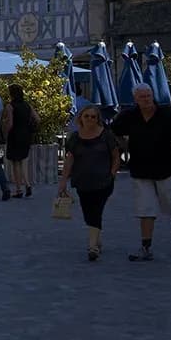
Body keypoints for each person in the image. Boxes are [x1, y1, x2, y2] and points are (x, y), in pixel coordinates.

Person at [111, 83, 171, 261]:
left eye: (148, 96)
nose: (146, 99)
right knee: (145, 208)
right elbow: (114, 130)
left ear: (153, 95)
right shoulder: (129, 116)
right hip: (140, 168)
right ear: (135, 99)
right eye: (142, 97)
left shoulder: (169, 114)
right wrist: (124, 145)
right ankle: (146, 247)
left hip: (166, 168)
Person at [59, 104, 121, 261]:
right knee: (88, 212)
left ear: (98, 119)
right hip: (82, 181)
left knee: (96, 210)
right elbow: (69, 159)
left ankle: (92, 246)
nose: (90, 119)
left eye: (93, 116)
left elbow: (115, 156)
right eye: (86, 116)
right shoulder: (74, 137)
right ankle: (97, 238)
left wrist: (112, 174)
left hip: (103, 181)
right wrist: (63, 181)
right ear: (81, 118)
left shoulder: (106, 135)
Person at [2, 84, 39, 198]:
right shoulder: (27, 105)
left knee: (15, 163)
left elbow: (10, 124)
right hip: (26, 135)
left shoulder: (10, 106)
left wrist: (4, 131)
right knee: (23, 161)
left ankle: (18, 189)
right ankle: (27, 184)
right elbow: (37, 118)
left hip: (15, 135)